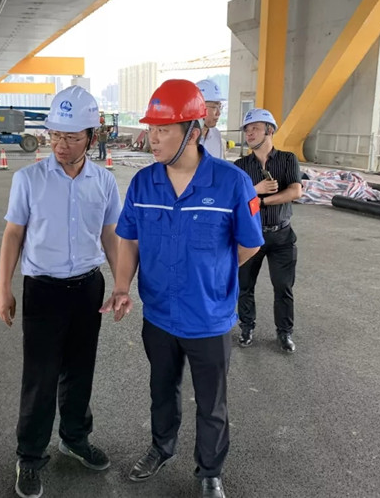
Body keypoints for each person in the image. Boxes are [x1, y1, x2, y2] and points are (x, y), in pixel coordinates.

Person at [101, 80, 264, 498]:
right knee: (162, 390)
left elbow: (249, 244)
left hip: (208, 318)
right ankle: (162, 447)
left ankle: (209, 470)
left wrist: (212, 274)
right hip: (159, 315)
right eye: (151, 129)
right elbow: (129, 239)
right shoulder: (143, 184)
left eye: (163, 130)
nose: (152, 139)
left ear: (193, 132)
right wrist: (122, 285)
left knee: (211, 403)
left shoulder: (231, 183)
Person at [0, 85, 121, 498]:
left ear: (91, 136)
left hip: (88, 288)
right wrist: (3, 289)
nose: (60, 144)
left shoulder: (104, 181)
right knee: (41, 376)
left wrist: (121, 284)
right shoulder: (28, 180)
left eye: (70, 136)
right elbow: (13, 235)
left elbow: (110, 234)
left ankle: (75, 437)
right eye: (55, 135)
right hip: (43, 291)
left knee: (80, 370)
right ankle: (30, 456)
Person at [233, 108, 303, 353]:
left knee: (283, 287)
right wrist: (257, 189)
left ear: (269, 130)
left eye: (255, 128)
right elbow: (235, 199)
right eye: (247, 130)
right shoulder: (240, 166)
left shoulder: (287, 159)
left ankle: (284, 333)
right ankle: (246, 327)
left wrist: (261, 201)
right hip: (250, 236)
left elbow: (295, 191)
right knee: (244, 286)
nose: (249, 134)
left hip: (281, 235)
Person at [195, 79, 224, 159]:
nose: (218, 113)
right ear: (199, 107)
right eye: (214, 107)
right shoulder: (182, 137)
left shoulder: (216, 135)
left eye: (220, 107)